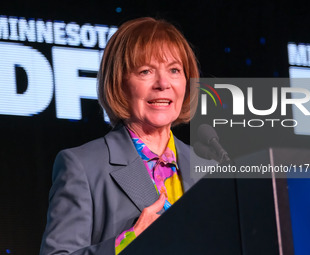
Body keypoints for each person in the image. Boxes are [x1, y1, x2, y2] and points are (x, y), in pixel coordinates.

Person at [40, 17, 201, 255]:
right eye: (146, 71)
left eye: (174, 70)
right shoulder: (83, 166)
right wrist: (129, 240)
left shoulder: (208, 168)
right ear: (120, 84)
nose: (163, 83)